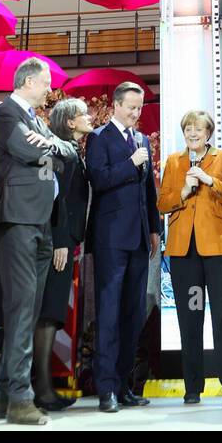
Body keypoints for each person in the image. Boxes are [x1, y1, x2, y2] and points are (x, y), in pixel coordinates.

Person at [0, 59, 62, 427]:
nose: (49, 89)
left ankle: (3, 393)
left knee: (27, 312)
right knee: (20, 310)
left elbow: (58, 159)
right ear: (29, 81)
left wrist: (48, 144)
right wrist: (48, 148)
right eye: (46, 83)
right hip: (17, 219)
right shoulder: (5, 113)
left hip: (38, 221)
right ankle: (19, 397)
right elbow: (29, 153)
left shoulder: (34, 120)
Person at [157, 109, 222, 407]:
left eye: (198, 130)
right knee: (190, 318)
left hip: (218, 250)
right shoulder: (174, 161)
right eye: (188, 131)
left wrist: (209, 181)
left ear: (208, 134)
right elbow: (163, 202)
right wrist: (183, 191)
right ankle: (192, 386)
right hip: (185, 253)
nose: (192, 135)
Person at [85, 81, 160, 414]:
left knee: (133, 315)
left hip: (140, 238)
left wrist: (155, 230)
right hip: (111, 240)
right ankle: (106, 389)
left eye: (140, 107)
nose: (135, 112)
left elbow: (148, 193)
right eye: (131, 106)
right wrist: (130, 163)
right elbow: (98, 180)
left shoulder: (142, 140)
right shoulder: (99, 138)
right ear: (115, 105)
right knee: (109, 314)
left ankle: (125, 385)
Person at [31, 96, 91, 412]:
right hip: (58, 242)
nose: (90, 117)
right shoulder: (58, 151)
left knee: (51, 315)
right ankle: (41, 389)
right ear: (70, 121)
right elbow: (54, 199)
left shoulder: (72, 152)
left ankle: (42, 386)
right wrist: (60, 241)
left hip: (67, 241)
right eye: (84, 114)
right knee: (48, 314)